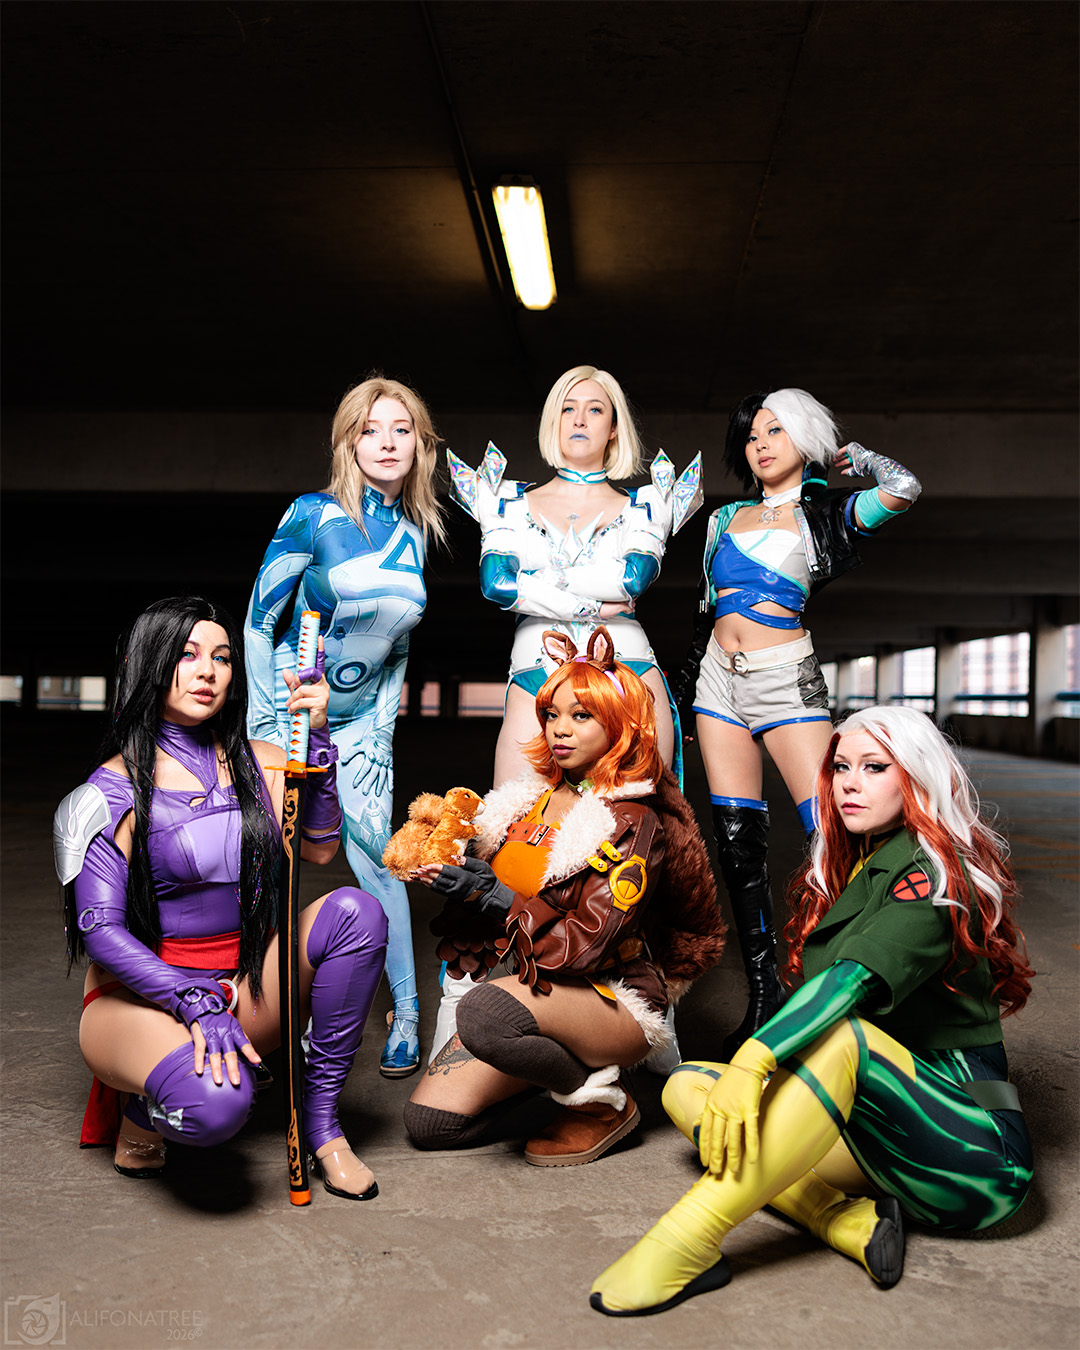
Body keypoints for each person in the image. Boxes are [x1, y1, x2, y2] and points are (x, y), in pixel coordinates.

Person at [590, 706, 1034, 1314]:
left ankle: (686, 1241)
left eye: (874, 768)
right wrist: (747, 1075)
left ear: (918, 778)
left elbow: (849, 985)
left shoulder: (935, 873)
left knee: (836, 1041)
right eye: (841, 767)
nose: (849, 782)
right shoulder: (861, 861)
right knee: (689, 1090)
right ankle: (841, 1220)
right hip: (880, 1138)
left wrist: (755, 1061)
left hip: (973, 1160)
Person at [54, 596, 388, 1198]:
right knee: (215, 1110)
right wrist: (191, 999)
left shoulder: (265, 762)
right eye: (187, 655)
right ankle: (140, 1114)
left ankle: (322, 1125)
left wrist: (318, 743)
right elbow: (98, 929)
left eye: (222, 657)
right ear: (148, 664)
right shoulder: (107, 789)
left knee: (356, 913)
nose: (209, 671)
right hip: (141, 998)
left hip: (246, 986)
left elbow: (318, 849)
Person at [402, 628, 726, 1167]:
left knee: (482, 1014)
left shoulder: (630, 821)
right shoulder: (528, 803)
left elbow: (584, 949)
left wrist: (492, 897)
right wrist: (454, 870)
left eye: (581, 717)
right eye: (551, 714)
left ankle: (598, 1102)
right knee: (430, 1123)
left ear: (619, 726)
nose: (559, 730)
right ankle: (547, 1071)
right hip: (534, 993)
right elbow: (505, 898)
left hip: (612, 997)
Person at [673, 387, 922, 1057]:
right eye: (753, 433)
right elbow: (703, 611)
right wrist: (687, 682)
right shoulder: (725, 519)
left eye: (776, 431)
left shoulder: (825, 516)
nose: (760, 443)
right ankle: (762, 997)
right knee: (736, 841)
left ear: (805, 441)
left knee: (833, 832)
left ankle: (851, 984)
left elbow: (905, 487)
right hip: (718, 686)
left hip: (788, 681)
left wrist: (858, 459)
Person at [245, 376, 446, 1078]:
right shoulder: (313, 514)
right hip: (293, 706)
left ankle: (407, 1016)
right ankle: (258, 1018)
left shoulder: (417, 531)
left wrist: (383, 723)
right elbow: (258, 620)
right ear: (349, 441)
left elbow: (399, 642)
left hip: (361, 721)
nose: (386, 442)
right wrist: (266, 723)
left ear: (419, 445)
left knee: (375, 859)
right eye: (370, 429)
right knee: (276, 861)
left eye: (401, 430)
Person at [447, 364, 703, 785]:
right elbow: (496, 584)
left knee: (639, 829)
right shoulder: (506, 500)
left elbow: (632, 578)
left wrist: (536, 580)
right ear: (555, 421)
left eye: (595, 409)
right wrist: (594, 606)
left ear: (614, 427)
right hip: (536, 670)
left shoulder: (647, 502)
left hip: (627, 670)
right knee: (512, 825)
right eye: (568, 408)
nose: (580, 419)